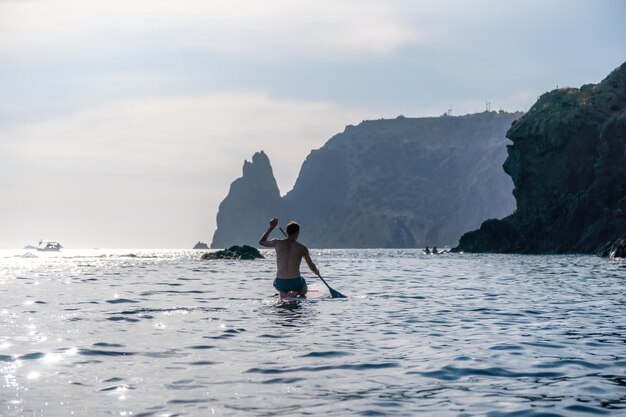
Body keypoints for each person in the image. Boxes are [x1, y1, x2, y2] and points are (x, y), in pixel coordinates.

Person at [259, 218, 319, 299]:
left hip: (280, 283)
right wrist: (316, 271)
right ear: (297, 233)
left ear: (287, 232)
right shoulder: (302, 248)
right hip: (295, 282)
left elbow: (261, 242)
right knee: (304, 291)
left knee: (277, 284)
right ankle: (295, 292)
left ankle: (282, 292)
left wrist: (271, 227)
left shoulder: (277, 243)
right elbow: (311, 266)